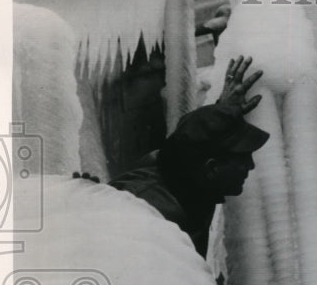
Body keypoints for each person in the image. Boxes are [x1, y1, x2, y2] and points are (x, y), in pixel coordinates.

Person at [103, 56, 267, 257]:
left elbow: (184, 142)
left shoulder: (185, 173)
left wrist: (219, 113)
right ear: (212, 168)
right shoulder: (152, 214)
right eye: (242, 159)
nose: (250, 166)